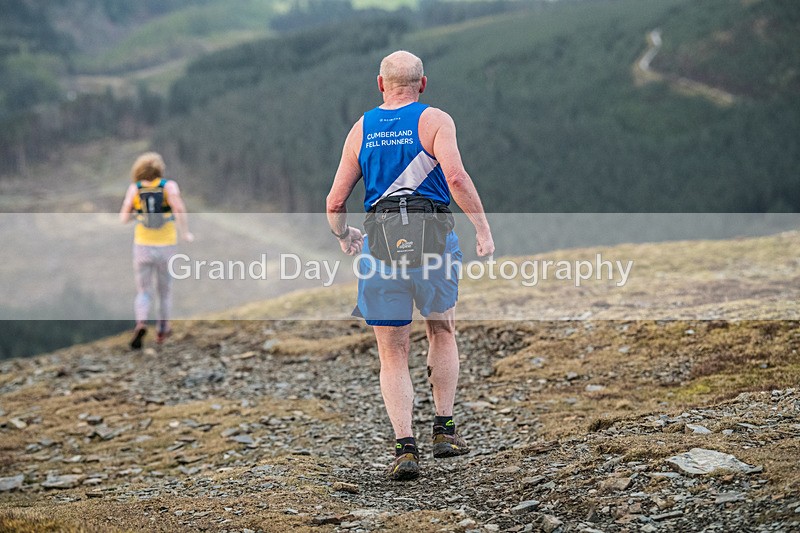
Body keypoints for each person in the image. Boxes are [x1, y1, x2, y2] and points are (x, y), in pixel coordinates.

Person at [326, 51, 494, 481]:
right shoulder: (435, 120)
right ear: (423, 83)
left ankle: (405, 448)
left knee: (392, 352)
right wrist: (482, 229)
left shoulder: (360, 129)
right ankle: (444, 430)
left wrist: (344, 236)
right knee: (442, 330)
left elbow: (335, 202)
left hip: (380, 249)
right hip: (434, 242)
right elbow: (456, 178)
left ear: (380, 84)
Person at [119, 152, 194, 349]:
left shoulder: (135, 189)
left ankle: (141, 322)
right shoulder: (169, 187)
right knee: (164, 291)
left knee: (143, 291)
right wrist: (185, 233)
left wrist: (139, 214)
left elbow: (123, 218)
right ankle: (162, 330)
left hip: (142, 246)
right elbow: (179, 209)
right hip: (166, 246)